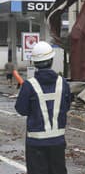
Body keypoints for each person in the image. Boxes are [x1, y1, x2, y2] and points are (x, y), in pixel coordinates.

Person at [15, 41, 72, 174]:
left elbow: (21, 109)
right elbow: (66, 105)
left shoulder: (29, 85)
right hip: (58, 142)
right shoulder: (62, 83)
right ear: (51, 60)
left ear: (34, 63)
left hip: (36, 144)